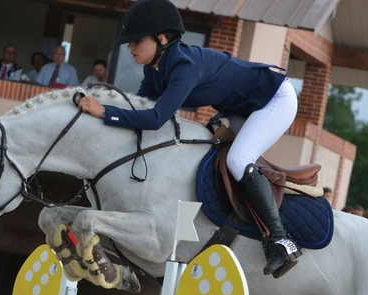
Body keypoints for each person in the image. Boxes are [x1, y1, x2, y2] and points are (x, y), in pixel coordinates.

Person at [78, 0, 301, 277]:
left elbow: (156, 119)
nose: (129, 47)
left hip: (275, 100)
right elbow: (141, 108)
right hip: (243, 108)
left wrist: (104, 112)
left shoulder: (184, 65)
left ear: (161, 39)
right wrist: (98, 113)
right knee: (208, 145)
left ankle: (281, 241)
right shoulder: (154, 69)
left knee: (238, 159)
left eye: (136, 40)